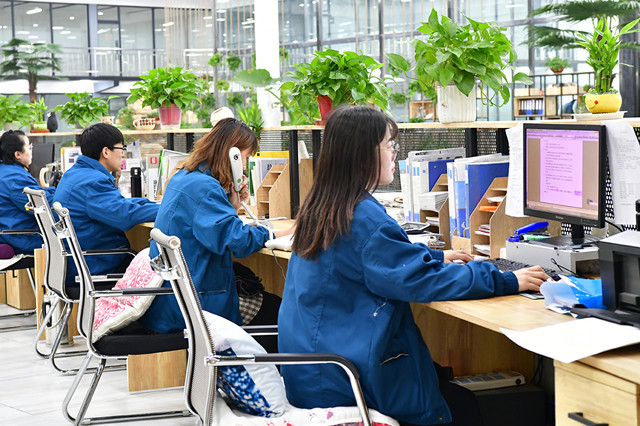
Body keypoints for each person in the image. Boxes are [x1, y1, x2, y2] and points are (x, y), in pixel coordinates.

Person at [277, 106, 548, 426]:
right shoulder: (364, 218)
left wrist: (436, 257)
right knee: (464, 406)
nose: (394, 153)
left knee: (446, 385)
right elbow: (423, 281)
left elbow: (375, 260)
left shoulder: (323, 205)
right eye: (389, 145)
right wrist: (505, 279)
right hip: (345, 381)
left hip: (315, 371)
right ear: (363, 155)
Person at [141, 118, 293, 349]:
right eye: (245, 158)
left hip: (175, 298)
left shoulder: (184, 177)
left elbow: (215, 229)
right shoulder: (206, 188)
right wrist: (279, 234)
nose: (244, 166)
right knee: (280, 310)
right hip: (198, 303)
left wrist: (233, 205)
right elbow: (238, 241)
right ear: (232, 155)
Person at [53, 123, 159, 284]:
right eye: (121, 149)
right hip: (97, 266)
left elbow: (118, 205)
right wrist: (168, 209)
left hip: (77, 264)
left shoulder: (75, 174)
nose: (123, 155)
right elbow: (125, 217)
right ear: (106, 152)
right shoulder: (94, 182)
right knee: (166, 270)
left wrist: (146, 203)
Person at [0, 130, 55, 254]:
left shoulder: (6, 171)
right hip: (21, 237)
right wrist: (59, 191)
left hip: (12, 232)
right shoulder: (14, 177)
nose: (31, 151)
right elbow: (42, 205)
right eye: (29, 148)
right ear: (18, 154)